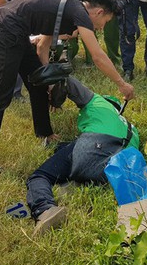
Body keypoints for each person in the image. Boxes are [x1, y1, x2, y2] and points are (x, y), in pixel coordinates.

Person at [0, 0, 135, 176]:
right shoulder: (79, 13)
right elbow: (97, 56)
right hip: (8, 30)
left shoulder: (68, 11)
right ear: (99, 12)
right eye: (105, 22)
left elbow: (43, 46)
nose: (101, 28)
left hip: (18, 29)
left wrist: (50, 81)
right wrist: (121, 83)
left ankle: (45, 133)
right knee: (2, 94)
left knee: (38, 83)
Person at [26, 76, 139, 235]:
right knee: (73, 151)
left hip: (92, 146)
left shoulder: (98, 102)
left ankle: (45, 210)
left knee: (39, 176)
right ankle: (76, 181)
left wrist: (54, 97)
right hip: (113, 169)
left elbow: (67, 81)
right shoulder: (132, 129)